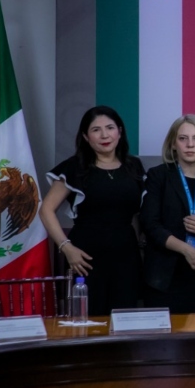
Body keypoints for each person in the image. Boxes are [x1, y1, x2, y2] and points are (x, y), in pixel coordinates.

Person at [40, 105, 145, 315]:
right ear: (86, 137)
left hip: (126, 256)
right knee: (89, 320)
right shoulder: (74, 167)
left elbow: (136, 215)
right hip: (85, 258)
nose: (104, 135)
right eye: (96, 130)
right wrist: (66, 248)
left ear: (120, 132)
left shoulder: (134, 166)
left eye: (110, 128)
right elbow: (46, 210)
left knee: (124, 319)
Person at [139, 115, 195, 313]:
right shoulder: (158, 175)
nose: (190, 145)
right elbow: (150, 224)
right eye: (183, 138)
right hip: (164, 276)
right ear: (173, 144)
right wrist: (186, 249)